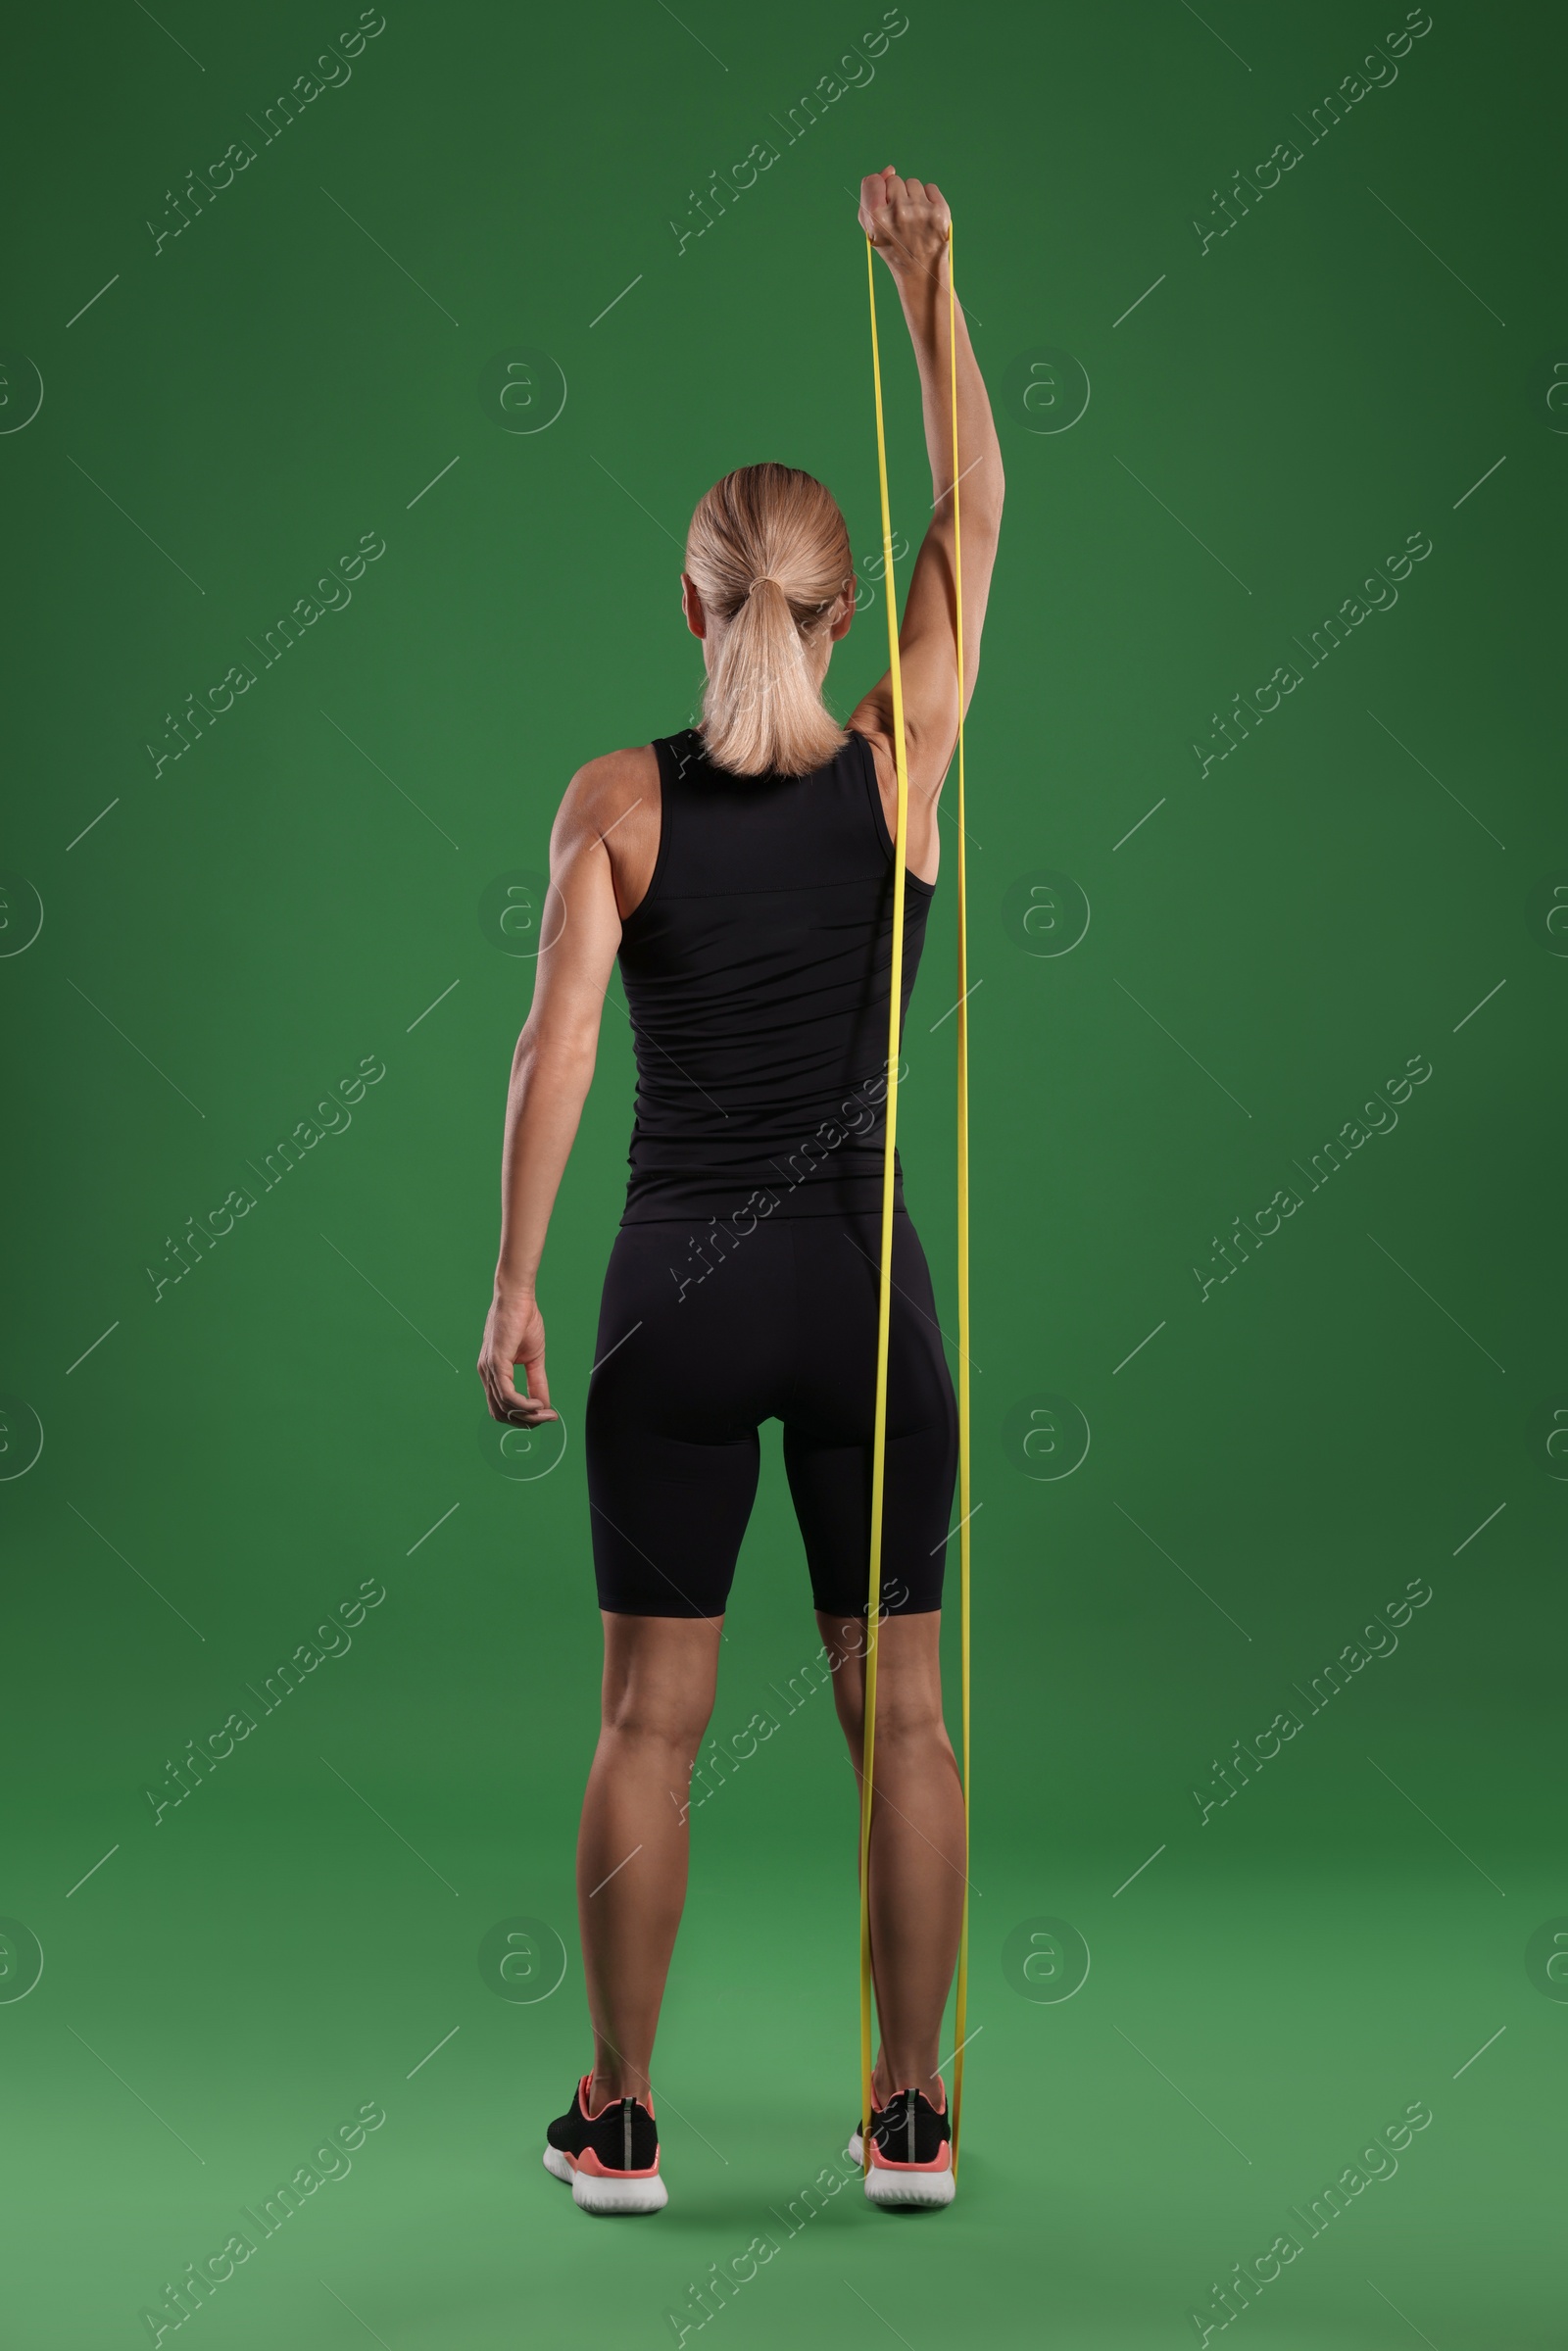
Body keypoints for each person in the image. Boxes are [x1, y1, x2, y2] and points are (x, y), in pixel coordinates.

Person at [476, 168, 1004, 2217]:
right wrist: (929, 292)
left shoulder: (612, 803)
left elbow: (557, 1055)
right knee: (905, 1720)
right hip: (864, 1297)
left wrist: (512, 1285)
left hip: (672, 1300)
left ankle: (616, 2119)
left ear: (691, 603)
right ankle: (905, 2117)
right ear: (839, 611)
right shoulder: (902, 760)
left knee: (648, 1718)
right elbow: (974, 511)